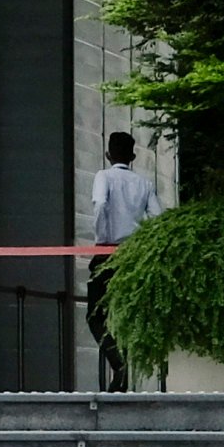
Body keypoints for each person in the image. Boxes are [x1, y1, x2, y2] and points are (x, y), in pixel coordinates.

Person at [85, 134, 163, 390]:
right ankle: (124, 376)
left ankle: (118, 364)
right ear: (133, 157)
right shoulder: (144, 183)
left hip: (108, 252)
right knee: (127, 314)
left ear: (108, 155)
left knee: (95, 315)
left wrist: (102, 238)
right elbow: (157, 218)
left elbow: (100, 206)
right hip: (135, 257)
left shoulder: (103, 177)